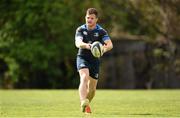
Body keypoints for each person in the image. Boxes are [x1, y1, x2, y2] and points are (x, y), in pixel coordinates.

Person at [75, 8, 113, 114]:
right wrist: (88, 46)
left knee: (92, 89)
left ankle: (86, 103)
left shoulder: (101, 31)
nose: (89, 20)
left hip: (95, 61)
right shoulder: (81, 29)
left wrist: (103, 49)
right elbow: (78, 43)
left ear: (96, 19)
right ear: (85, 18)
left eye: (92, 18)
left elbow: (110, 44)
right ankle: (83, 101)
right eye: (88, 18)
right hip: (82, 57)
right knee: (84, 77)